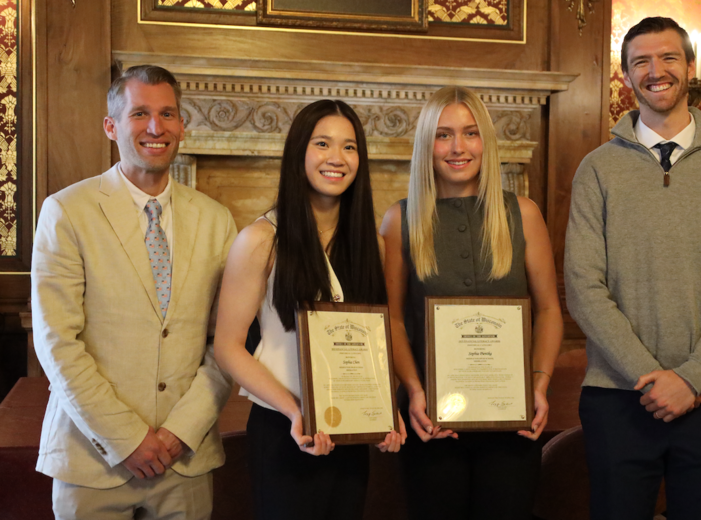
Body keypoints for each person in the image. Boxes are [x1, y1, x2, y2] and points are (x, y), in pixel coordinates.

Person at [565, 16, 701, 520]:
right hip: (618, 398)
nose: (656, 71)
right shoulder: (597, 169)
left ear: (690, 66)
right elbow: (584, 287)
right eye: (641, 62)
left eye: (668, 57)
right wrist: (650, 378)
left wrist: (690, 378)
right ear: (627, 76)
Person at [31, 65, 237, 520]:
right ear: (111, 126)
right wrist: (127, 438)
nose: (156, 128)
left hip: (185, 462)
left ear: (182, 125)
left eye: (168, 114)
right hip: (93, 461)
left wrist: (182, 431)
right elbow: (56, 342)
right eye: (140, 113)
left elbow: (225, 343)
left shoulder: (217, 219)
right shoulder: (67, 211)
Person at [213, 99, 405, 520]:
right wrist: (293, 410)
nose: (337, 158)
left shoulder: (372, 246)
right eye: (322, 143)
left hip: (349, 431)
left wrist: (384, 409)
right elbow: (227, 347)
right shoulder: (261, 240)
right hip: (284, 428)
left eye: (349, 147)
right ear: (299, 151)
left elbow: (374, 341)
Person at [380, 86, 563, 520]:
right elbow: (392, 320)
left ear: (486, 142)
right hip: (432, 421)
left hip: (512, 419)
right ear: (427, 146)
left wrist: (538, 385)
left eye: (470, 133)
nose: (457, 147)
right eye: (443, 135)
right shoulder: (400, 220)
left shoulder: (524, 213)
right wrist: (414, 391)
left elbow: (549, 311)